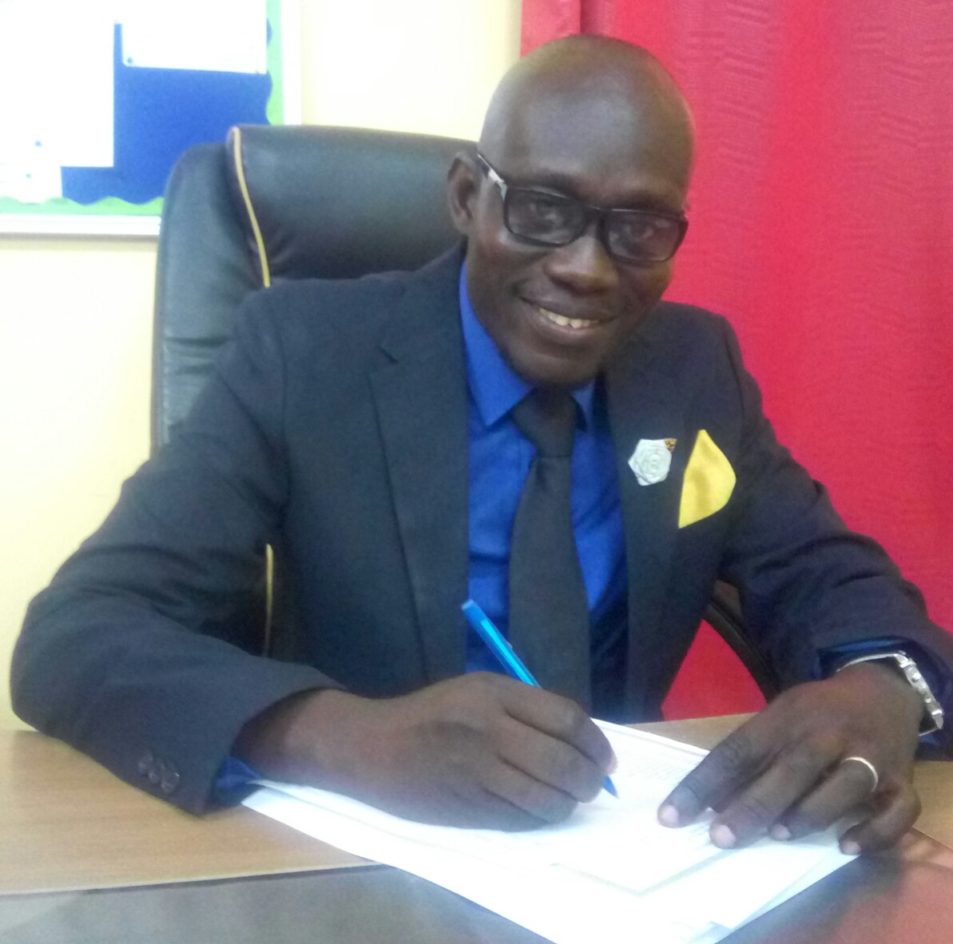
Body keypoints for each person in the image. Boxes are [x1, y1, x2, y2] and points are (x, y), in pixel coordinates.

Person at [12, 35, 952, 854]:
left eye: (636, 228)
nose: (585, 268)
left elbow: (828, 576)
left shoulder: (690, 367)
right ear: (467, 197)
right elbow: (74, 636)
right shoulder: (302, 352)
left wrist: (881, 687)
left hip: (624, 859)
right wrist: (348, 736)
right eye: (542, 209)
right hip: (355, 857)